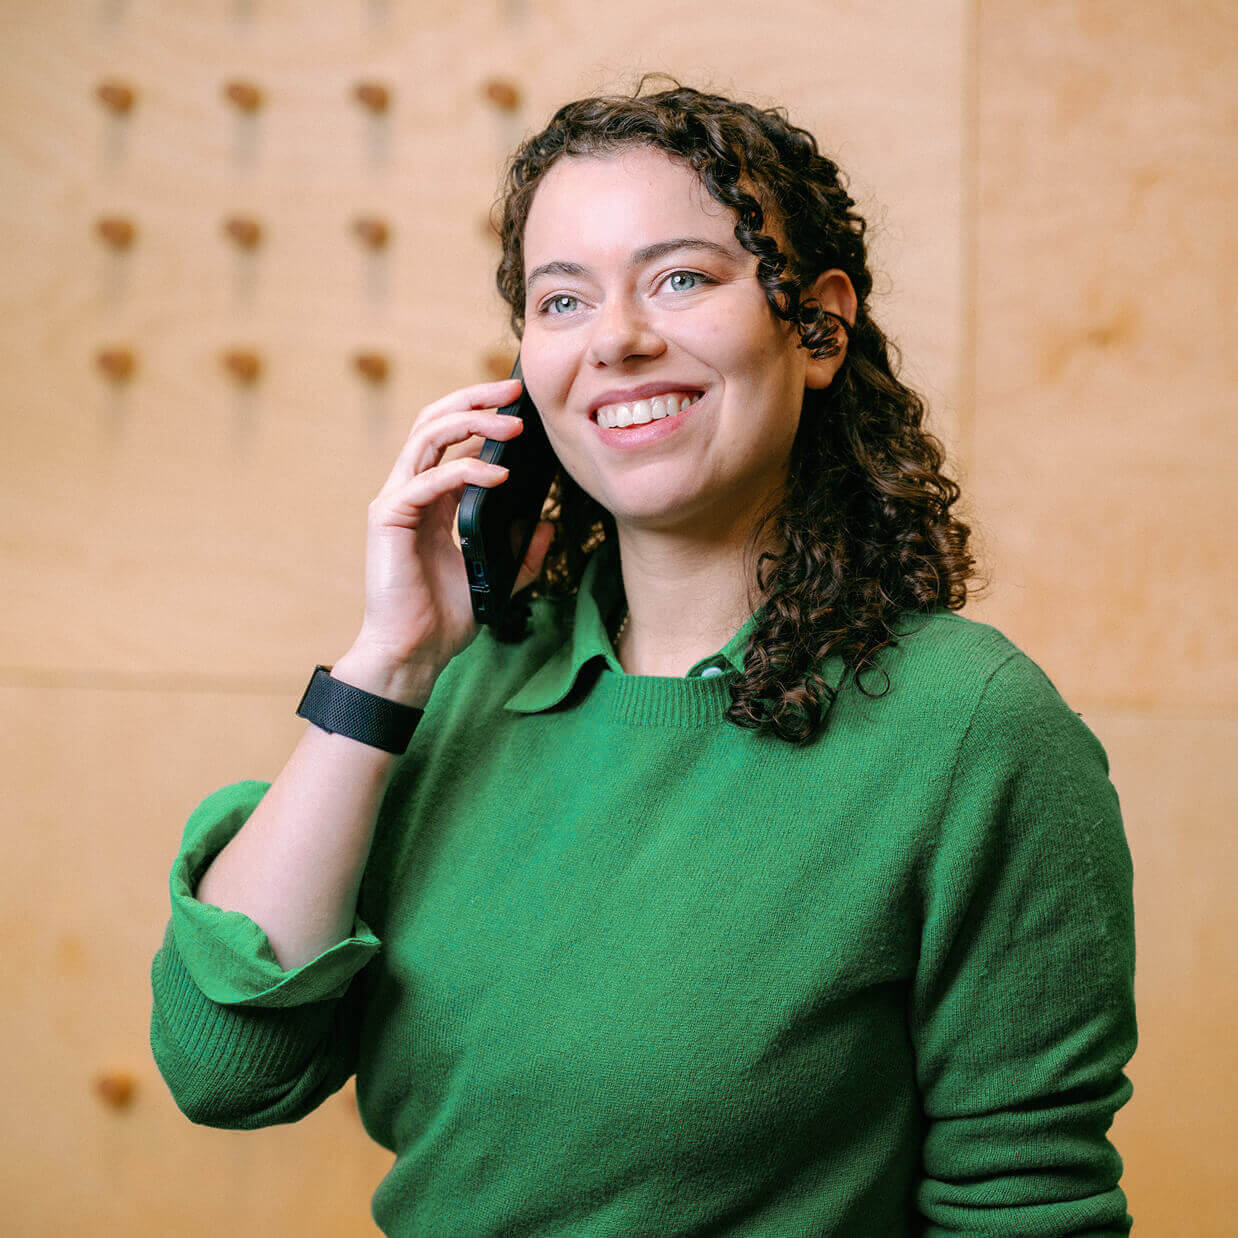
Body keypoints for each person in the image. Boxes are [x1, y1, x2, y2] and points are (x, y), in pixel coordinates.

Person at [150, 77, 1137, 1236]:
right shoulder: (460, 685)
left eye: (680, 278)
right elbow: (225, 1067)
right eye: (562, 299)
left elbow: (1027, 1206)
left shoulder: (970, 728)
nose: (615, 339)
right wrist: (388, 665)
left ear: (817, 329)